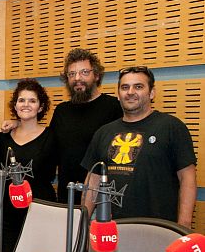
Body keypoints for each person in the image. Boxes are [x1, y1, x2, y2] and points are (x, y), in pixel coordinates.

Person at [82, 66, 196, 227]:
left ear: (152, 93)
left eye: (138, 86)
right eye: (125, 87)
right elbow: (93, 182)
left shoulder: (171, 127)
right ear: (118, 94)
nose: (130, 92)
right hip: (111, 229)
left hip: (158, 228)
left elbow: (187, 178)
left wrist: (183, 226)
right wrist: (82, 221)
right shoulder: (103, 132)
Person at [49, 49, 123, 202]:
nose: (77, 78)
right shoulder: (61, 111)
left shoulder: (113, 107)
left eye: (84, 72)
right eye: (72, 74)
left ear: (96, 75)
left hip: (101, 198)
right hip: (67, 196)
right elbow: (46, 145)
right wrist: (19, 124)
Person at [1, 79, 56, 252]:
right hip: (9, 214)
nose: (26, 105)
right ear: (15, 105)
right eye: (21, 100)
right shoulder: (4, 138)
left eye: (32, 101)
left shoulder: (51, 137)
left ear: (40, 107)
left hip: (40, 211)